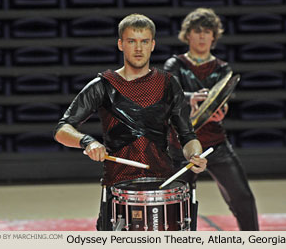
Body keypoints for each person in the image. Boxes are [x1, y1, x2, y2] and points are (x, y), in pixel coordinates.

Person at [54, 14, 207, 231]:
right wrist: (87, 142)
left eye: (144, 41)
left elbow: (188, 136)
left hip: (162, 187)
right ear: (120, 44)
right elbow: (62, 128)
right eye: (131, 41)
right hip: (118, 189)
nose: (138, 48)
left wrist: (195, 155)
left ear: (152, 45)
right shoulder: (103, 85)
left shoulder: (168, 84)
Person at [164, 8, 259, 230]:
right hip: (181, 146)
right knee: (177, 207)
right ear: (187, 35)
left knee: (243, 199)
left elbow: (222, 102)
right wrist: (190, 98)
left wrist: (221, 111)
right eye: (197, 31)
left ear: (214, 36)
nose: (202, 36)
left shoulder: (222, 68)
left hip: (215, 144)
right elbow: (169, 95)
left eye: (207, 31)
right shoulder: (174, 65)